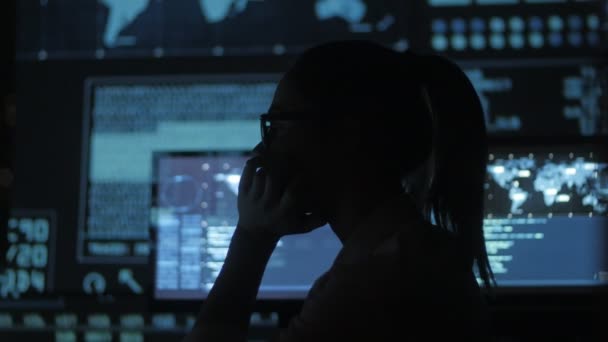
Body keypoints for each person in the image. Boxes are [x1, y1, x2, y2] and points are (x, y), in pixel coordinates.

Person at [184, 40, 494, 341]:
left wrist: (251, 240)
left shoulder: (370, 286)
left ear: (345, 136)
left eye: (278, 126)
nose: (262, 149)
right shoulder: (416, 254)